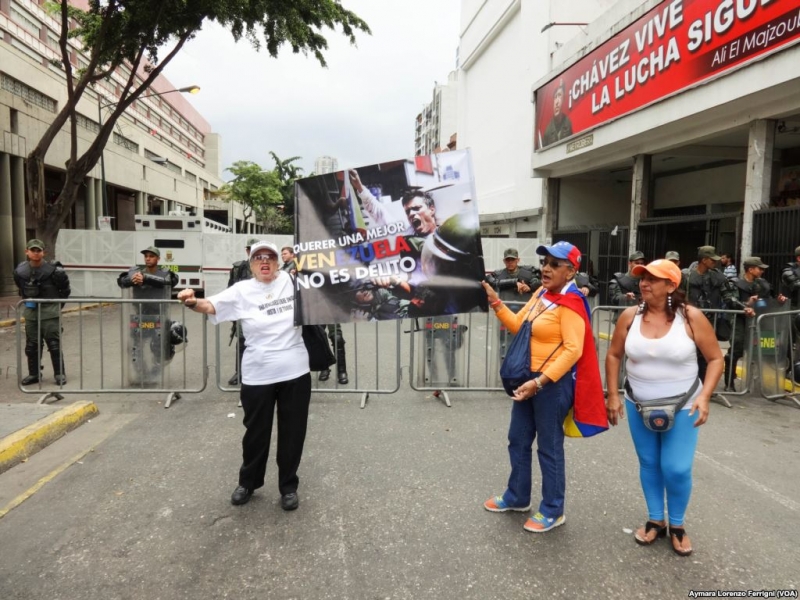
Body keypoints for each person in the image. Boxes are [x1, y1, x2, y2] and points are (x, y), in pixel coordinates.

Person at [481, 241, 605, 533]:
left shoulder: (572, 303)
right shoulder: (540, 294)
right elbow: (518, 325)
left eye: (554, 264)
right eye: (544, 263)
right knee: (518, 439)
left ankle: (553, 509)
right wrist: (496, 302)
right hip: (528, 378)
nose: (546, 269)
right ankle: (517, 496)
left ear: (571, 271)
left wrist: (540, 381)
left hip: (551, 384)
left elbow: (573, 350)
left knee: (549, 447)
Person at [177, 241, 311, 510]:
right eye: (258, 257)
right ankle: (248, 482)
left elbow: (331, 287)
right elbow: (210, 305)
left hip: (295, 371)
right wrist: (191, 301)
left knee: (293, 433)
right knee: (255, 433)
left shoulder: (293, 282)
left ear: (278, 262)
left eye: (270, 257)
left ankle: (288, 486)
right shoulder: (242, 290)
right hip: (257, 374)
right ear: (251, 264)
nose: (265, 261)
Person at [605, 259, 723, 557]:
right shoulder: (630, 316)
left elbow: (715, 359)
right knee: (649, 463)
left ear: (671, 286)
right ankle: (656, 519)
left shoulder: (691, 317)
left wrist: (705, 396)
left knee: (676, 467)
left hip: (684, 406)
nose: (644, 284)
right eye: (642, 279)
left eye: (652, 279)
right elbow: (614, 355)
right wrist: (613, 395)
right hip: (638, 403)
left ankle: (678, 524)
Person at [682, 245, 745, 383]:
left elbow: (728, 296)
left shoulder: (718, 276)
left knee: (705, 355)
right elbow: (678, 296)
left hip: (710, 321)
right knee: (687, 352)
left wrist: (743, 307)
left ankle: (703, 384)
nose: (715, 262)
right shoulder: (686, 276)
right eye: (712, 259)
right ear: (704, 260)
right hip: (688, 320)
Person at [13, 238, 71, 385]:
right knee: (32, 345)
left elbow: (65, 291)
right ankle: (34, 374)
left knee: (54, 344)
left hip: (50, 312)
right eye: (32, 250)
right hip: (31, 312)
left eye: (38, 250)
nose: (36, 253)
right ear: (27, 252)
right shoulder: (20, 271)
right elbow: (21, 288)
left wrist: (56, 307)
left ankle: (59, 373)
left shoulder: (55, 271)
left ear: (43, 252)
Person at [725, 257, 788, 390]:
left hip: (758, 320)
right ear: (750, 269)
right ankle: (729, 382)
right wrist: (746, 305)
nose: (762, 271)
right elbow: (731, 301)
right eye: (760, 269)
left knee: (760, 349)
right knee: (736, 349)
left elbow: (770, 300)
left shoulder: (763, 284)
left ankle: (759, 383)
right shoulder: (735, 283)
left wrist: (779, 300)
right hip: (740, 320)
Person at [117, 246, 179, 376]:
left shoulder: (165, 273)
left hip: (159, 315)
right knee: (135, 347)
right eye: (146, 256)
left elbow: (169, 281)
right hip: (140, 315)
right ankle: (142, 374)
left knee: (159, 345)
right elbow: (122, 281)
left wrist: (146, 278)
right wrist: (132, 280)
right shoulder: (136, 273)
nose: (148, 258)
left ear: (158, 258)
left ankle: (157, 369)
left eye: (151, 256)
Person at [226, 238, 258, 386]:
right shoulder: (238, 268)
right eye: (250, 249)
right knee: (242, 342)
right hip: (243, 312)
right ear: (247, 251)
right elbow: (230, 290)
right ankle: (239, 372)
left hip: (263, 311)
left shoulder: (267, 267)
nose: (253, 252)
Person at [609, 251, 646, 320]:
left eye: (642, 263)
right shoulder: (618, 279)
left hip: (641, 318)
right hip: (623, 318)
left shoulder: (647, 280)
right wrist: (625, 297)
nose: (640, 265)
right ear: (630, 263)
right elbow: (614, 298)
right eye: (637, 263)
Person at [542, 78, 573, 146]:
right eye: (555, 97)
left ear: (564, 99)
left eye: (559, 95)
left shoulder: (568, 123)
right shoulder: (548, 131)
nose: (557, 102)